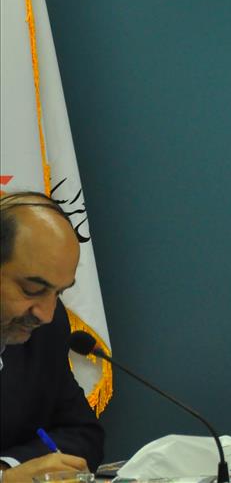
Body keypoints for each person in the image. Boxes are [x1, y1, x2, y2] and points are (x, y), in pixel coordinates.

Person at [0, 192, 105, 478]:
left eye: (58, 293)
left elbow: (83, 433)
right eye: (32, 290)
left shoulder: (46, 329)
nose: (45, 314)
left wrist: (10, 466)